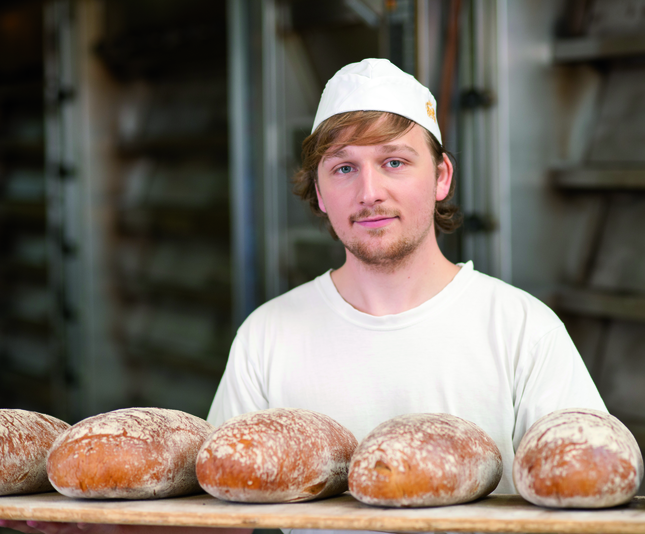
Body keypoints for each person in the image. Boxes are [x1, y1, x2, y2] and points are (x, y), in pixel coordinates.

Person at [0, 58, 605, 534]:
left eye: (395, 162)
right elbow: (220, 510)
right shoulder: (271, 332)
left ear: (441, 176)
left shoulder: (522, 326)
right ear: (317, 192)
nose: (369, 192)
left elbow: (589, 498)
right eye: (343, 169)